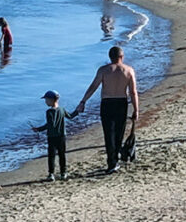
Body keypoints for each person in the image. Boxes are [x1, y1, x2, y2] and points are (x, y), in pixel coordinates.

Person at [75, 46, 139, 174]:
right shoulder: (129, 70)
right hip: (121, 103)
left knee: (108, 133)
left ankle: (111, 163)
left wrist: (83, 101)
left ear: (110, 57)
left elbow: (93, 87)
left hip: (107, 103)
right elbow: (133, 92)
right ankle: (115, 160)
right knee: (119, 133)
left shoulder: (103, 70)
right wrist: (136, 109)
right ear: (122, 57)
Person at [31, 90, 79, 181]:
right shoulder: (62, 109)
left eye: (46, 100)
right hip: (62, 136)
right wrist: (77, 111)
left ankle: (51, 174)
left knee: (51, 155)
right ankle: (63, 173)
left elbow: (49, 125)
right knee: (62, 154)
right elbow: (70, 116)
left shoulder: (49, 112)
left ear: (52, 100)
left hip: (52, 137)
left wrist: (38, 129)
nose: (45, 102)